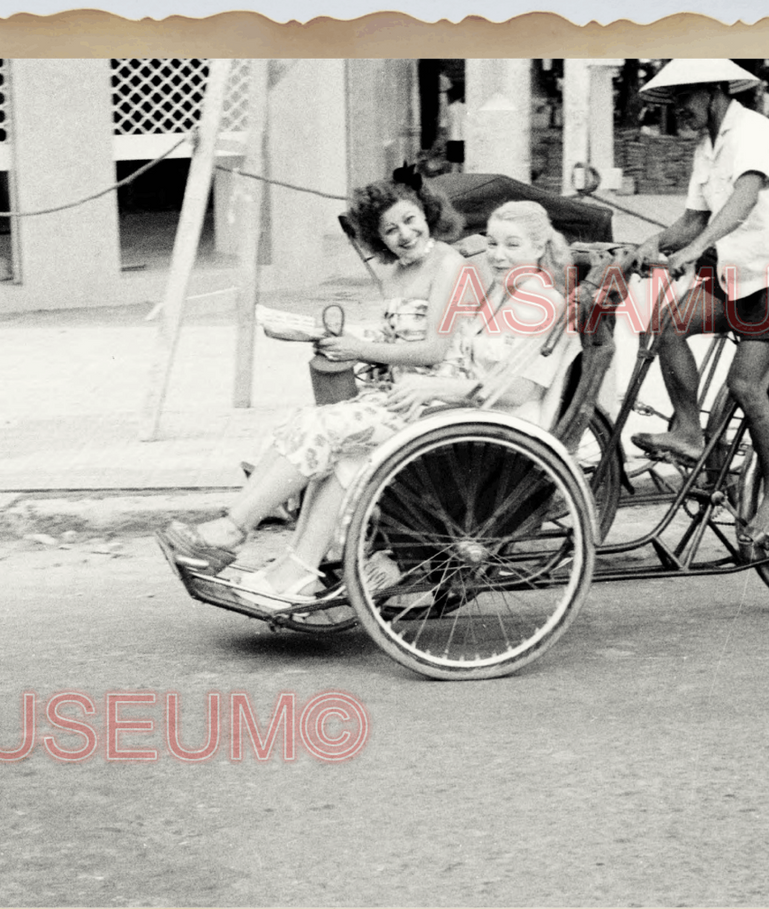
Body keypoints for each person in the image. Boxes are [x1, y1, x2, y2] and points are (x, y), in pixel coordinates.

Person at [162, 200, 576, 608]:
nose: (499, 256)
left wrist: (435, 389)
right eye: (494, 243)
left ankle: (233, 531)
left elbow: (520, 391)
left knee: (322, 429)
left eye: (513, 246)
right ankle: (295, 571)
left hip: (489, 428)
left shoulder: (541, 303)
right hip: (457, 411)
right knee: (336, 451)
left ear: (539, 249)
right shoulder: (504, 293)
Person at [630, 58, 769, 550]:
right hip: (739, 278)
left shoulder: (755, 131)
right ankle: (690, 431)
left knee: (744, 384)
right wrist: (649, 245)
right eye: (674, 102)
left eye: (687, 99)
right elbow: (693, 219)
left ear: (714, 90)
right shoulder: (708, 148)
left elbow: (743, 198)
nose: (681, 111)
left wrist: (695, 251)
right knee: (665, 323)